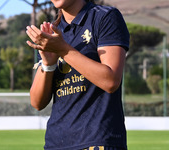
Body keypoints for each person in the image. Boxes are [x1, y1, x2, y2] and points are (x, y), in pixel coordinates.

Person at [26, 0, 130, 149]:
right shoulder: (51, 34)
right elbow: (37, 102)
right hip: (56, 143)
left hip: (97, 141)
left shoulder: (105, 17)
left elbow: (111, 81)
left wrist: (64, 50)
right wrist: (48, 65)